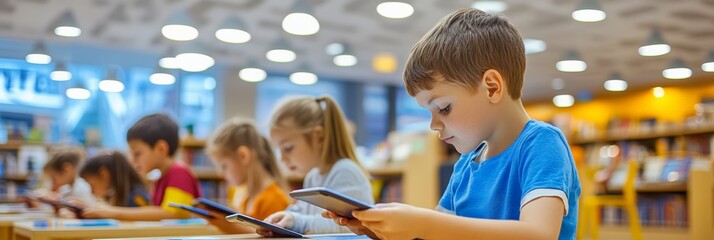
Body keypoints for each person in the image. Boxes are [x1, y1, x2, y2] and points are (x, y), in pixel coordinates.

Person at [324, 8, 581, 240]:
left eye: (444, 108)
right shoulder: (466, 164)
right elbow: (441, 233)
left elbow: (537, 234)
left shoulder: (542, 142)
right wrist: (379, 229)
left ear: (492, 87)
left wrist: (423, 224)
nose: (434, 125)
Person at [258, 96, 373, 236]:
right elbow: (302, 212)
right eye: (279, 150)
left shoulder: (345, 171)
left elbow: (349, 225)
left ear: (318, 136)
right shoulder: (313, 176)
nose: (282, 159)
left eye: (287, 148)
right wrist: (283, 217)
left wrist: (296, 221)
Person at [79, 113, 202, 220]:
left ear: (161, 149)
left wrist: (110, 212)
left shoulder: (179, 172)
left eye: (137, 154)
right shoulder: (160, 178)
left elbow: (171, 213)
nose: (132, 160)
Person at [194, 118, 290, 233]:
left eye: (224, 166)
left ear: (243, 156)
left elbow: (272, 237)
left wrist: (229, 226)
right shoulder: (245, 196)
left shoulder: (273, 199)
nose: (220, 173)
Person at [78, 151, 150, 207]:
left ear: (103, 174)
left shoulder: (135, 195)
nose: (91, 192)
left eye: (91, 185)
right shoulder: (118, 194)